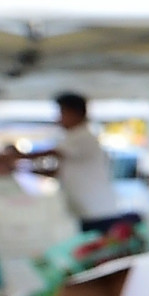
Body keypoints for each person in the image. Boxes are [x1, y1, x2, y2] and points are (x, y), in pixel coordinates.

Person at [44, 92, 132, 235]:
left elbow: (52, 153)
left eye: (62, 113)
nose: (58, 119)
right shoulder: (70, 138)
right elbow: (60, 171)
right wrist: (21, 168)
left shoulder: (84, 137)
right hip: (86, 210)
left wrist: (14, 156)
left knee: (101, 251)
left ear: (77, 113)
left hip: (99, 211)